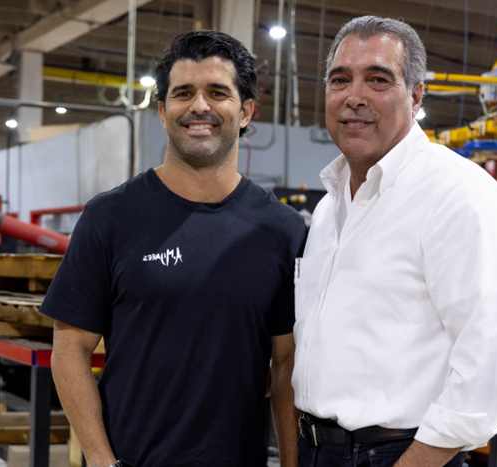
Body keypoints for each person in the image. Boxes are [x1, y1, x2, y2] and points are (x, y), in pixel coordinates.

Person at [40, 30, 305, 467]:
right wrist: (103, 461)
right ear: (163, 112)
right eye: (184, 93)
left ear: (246, 112)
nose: (199, 106)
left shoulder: (282, 230)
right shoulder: (109, 217)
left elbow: (286, 365)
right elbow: (70, 350)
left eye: (218, 92)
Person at [295, 16, 497, 467]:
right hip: (317, 449)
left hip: (397, 454)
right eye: (341, 80)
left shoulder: (458, 194)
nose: (354, 97)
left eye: (378, 79)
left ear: (416, 96)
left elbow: (487, 362)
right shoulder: (329, 207)